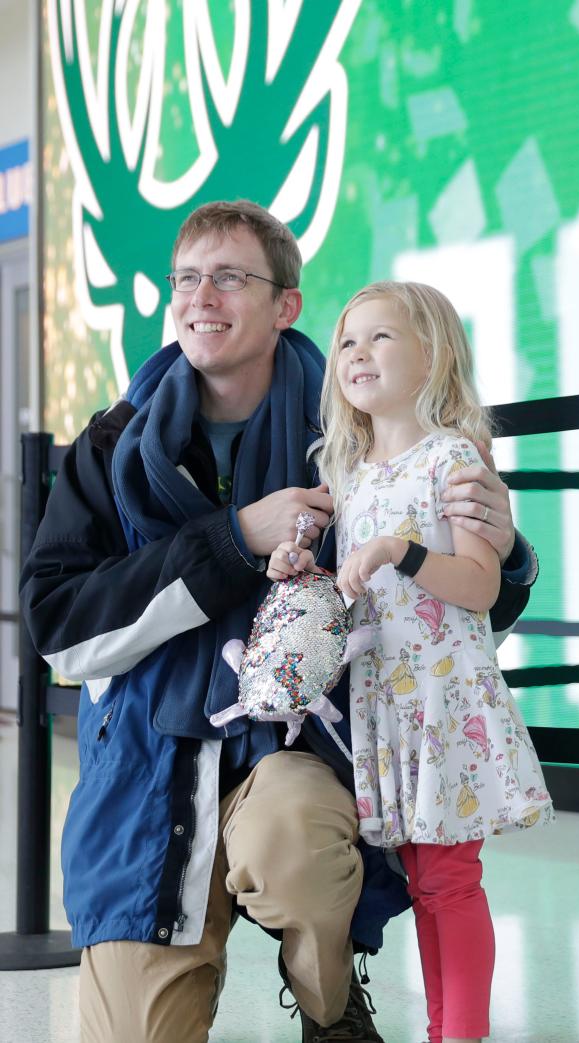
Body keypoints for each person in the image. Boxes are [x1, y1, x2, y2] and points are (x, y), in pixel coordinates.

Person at [19, 202, 540, 1043]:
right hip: (151, 770)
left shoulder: (353, 434)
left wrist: (504, 547)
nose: (202, 297)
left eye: (230, 276)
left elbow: (469, 606)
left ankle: (331, 997)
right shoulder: (114, 446)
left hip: (298, 755)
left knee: (297, 848)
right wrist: (233, 539)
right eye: (187, 278)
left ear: (285, 305)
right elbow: (62, 627)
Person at [267, 281, 554, 1043]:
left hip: (443, 701)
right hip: (387, 705)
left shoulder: (455, 459)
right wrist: (302, 563)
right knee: (428, 881)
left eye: (382, 337)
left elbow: (480, 585)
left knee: (451, 880)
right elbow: (351, 591)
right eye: (348, 342)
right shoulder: (350, 473)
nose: (358, 353)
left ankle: (460, 1033)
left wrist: (402, 551)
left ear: (434, 355)